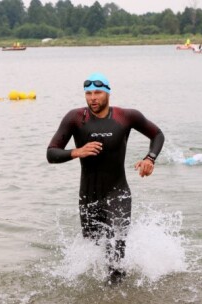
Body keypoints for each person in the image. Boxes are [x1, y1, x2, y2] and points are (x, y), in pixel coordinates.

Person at [47, 72, 165, 284]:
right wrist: (76, 152)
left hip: (118, 193)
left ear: (108, 93)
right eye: (88, 93)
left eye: (98, 93)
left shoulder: (126, 116)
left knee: (116, 250)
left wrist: (150, 158)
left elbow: (157, 135)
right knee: (93, 249)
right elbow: (51, 153)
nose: (93, 98)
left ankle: (116, 291)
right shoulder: (75, 118)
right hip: (88, 196)